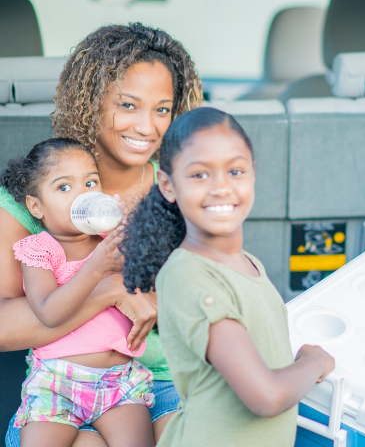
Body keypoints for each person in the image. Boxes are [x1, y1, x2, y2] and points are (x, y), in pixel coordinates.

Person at [2, 23, 203, 447]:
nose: (147, 127)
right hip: (60, 388)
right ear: (91, 102)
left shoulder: (177, 190)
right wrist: (111, 289)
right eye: (128, 105)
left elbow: (197, 307)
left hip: (159, 382)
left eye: (162, 109)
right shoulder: (31, 197)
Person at [121, 107, 335, 447]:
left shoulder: (247, 263)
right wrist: (312, 362)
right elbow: (265, 397)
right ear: (168, 185)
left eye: (235, 171)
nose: (221, 187)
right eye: (199, 175)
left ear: (253, 173)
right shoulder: (188, 276)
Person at [2, 138, 153, 447]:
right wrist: (96, 269)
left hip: (119, 382)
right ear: (36, 206)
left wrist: (125, 233)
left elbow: (146, 291)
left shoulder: (109, 243)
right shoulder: (39, 250)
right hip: (56, 383)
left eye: (90, 182)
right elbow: (48, 312)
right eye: (64, 188)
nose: (82, 194)